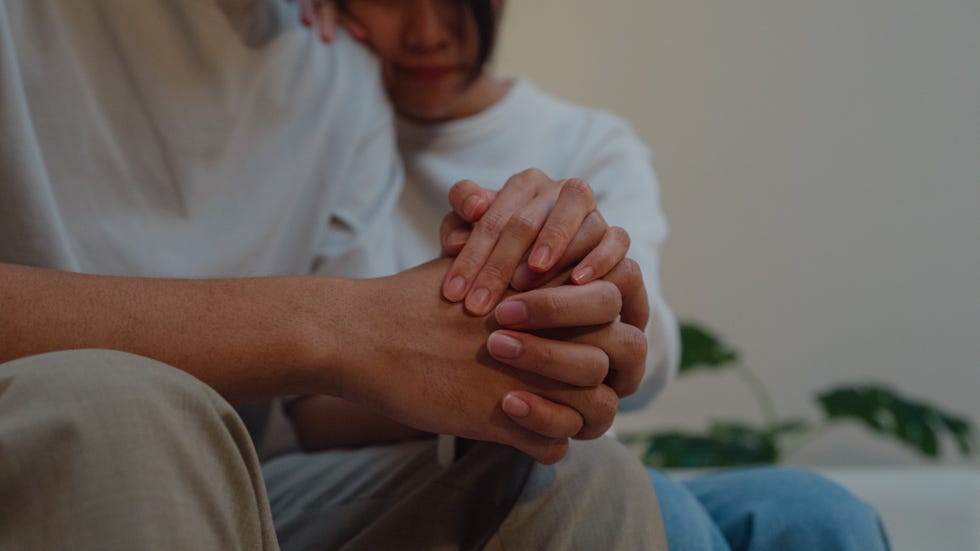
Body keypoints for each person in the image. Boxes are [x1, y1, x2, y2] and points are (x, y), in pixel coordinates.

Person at [0, 1, 668, 549]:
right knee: (123, 411)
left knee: (581, 476)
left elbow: (318, 407)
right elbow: (345, 341)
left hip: (259, 476)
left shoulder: (339, 72)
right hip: (102, 437)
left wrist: (521, 341)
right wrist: (338, 324)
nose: (426, 33)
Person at [293, 0, 892, 549]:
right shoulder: (318, 132)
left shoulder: (587, 144)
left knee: (823, 517)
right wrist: (467, 367)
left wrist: (591, 306)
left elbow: (641, 349)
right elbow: (309, 409)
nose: (427, 34)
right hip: (414, 463)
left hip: (563, 450)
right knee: (633, 502)